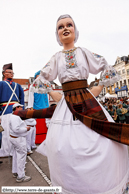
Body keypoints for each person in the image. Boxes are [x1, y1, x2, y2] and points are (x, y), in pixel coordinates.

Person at [15, 15, 129, 193]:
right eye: (61, 27)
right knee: (63, 150)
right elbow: (41, 80)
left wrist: (96, 89)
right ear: (57, 34)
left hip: (88, 100)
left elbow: (106, 67)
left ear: (75, 31)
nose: (65, 28)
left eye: (69, 25)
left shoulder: (83, 52)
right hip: (67, 105)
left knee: (106, 143)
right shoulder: (56, 58)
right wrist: (57, 95)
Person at [0, 63, 24, 157]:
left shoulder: (17, 85)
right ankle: (5, 152)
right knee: (5, 134)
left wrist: (22, 112)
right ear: (4, 73)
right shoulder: (1, 84)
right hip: (5, 112)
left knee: (15, 132)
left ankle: (14, 151)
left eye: (12, 72)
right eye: (9, 72)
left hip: (16, 112)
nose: (12, 74)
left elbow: (21, 99)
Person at [9, 103, 31, 182]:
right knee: (21, 157)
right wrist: (26, 129)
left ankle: (16, 172)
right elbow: (16, 129)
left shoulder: (13, 116)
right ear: (17, 108)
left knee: (16, 155)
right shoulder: (15, 117)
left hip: (15, 138)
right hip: (19, 139)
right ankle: (21, 176)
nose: (22, 108)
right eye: (21, 107)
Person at [28, 71, 49, 144]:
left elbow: (47, 97)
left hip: (46, 108)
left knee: (46, 125)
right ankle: (37, 140)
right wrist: (30, 107)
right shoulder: (32, 86)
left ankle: (46, 140)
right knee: (39, 126)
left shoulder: (46, 85)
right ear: (35, 77)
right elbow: (31, 98)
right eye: (39, 76)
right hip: (37, 108)